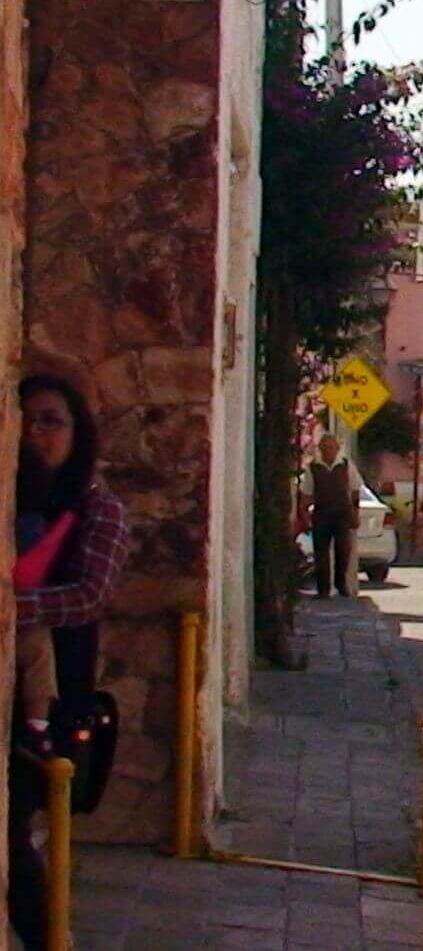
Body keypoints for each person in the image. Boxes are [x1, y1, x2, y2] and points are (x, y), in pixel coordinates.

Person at [8, 375, 133, 950]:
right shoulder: (14, 503)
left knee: (17, 834)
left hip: (53, 702)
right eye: (28, 419)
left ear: (78, 433)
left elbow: (89, 595)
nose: (37, 432)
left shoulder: (97, 509)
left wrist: (13, 610)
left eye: (51, 421)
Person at [301, 434, 362, 597]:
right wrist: (305, 515)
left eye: (331, 447)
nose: (328, 451)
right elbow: (306, 493)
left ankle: (341, 584)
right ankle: (323, 589)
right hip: (322, 512)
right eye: (324, 448)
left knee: (343, 550)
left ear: (337, 448)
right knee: (320, 553)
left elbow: (355, 490)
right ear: (320, 449)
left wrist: (356, 513)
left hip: (342, 512)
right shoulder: (313, 467)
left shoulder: (346, 465)